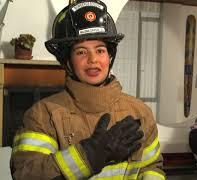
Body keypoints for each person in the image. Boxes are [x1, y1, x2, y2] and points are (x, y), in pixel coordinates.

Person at [10, 0, 165, 179]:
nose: (93, 59)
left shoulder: (140, 111)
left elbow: (152, 167)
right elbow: (27, 174)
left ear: (110, 56)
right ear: (67, 61)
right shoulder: (43, 115)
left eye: (100, 50)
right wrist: (88, 156)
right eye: (81, 52)